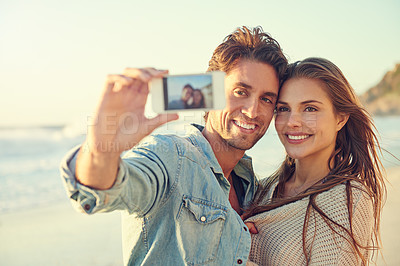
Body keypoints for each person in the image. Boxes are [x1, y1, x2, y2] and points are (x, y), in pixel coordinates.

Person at [60, 26, 288, 265]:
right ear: (208, 93)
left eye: (266, 99)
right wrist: (102, 148)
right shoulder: (171, 156)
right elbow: (103, 189)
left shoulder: (250, 184)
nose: (253, 110)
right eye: (241, 91)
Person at [243, 58, 386, 265]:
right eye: (283, 109)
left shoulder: (347, 200)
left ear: (340, 118)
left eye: (310, 109)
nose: (292, 121)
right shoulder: (264, 188)